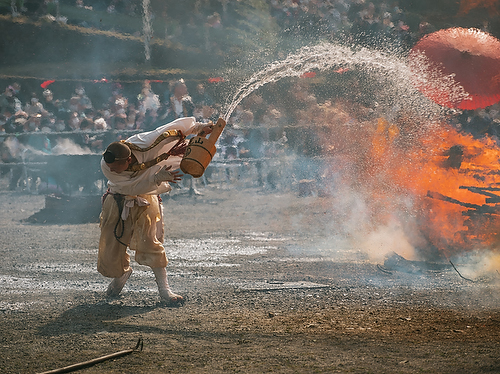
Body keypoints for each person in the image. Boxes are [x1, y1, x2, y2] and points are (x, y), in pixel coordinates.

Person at [98, 116, 213, 304]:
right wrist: (155, 178)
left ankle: (164, 290)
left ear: (128, 160)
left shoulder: (146, 143)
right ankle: (121, 276)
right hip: (117, 199)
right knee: (112, 246)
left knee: (151, 242)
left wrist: (199, 128)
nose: (113, 171)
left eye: (117, 167)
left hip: (146, 198)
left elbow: (171, 130)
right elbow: (128, 188)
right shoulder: (106, 165)